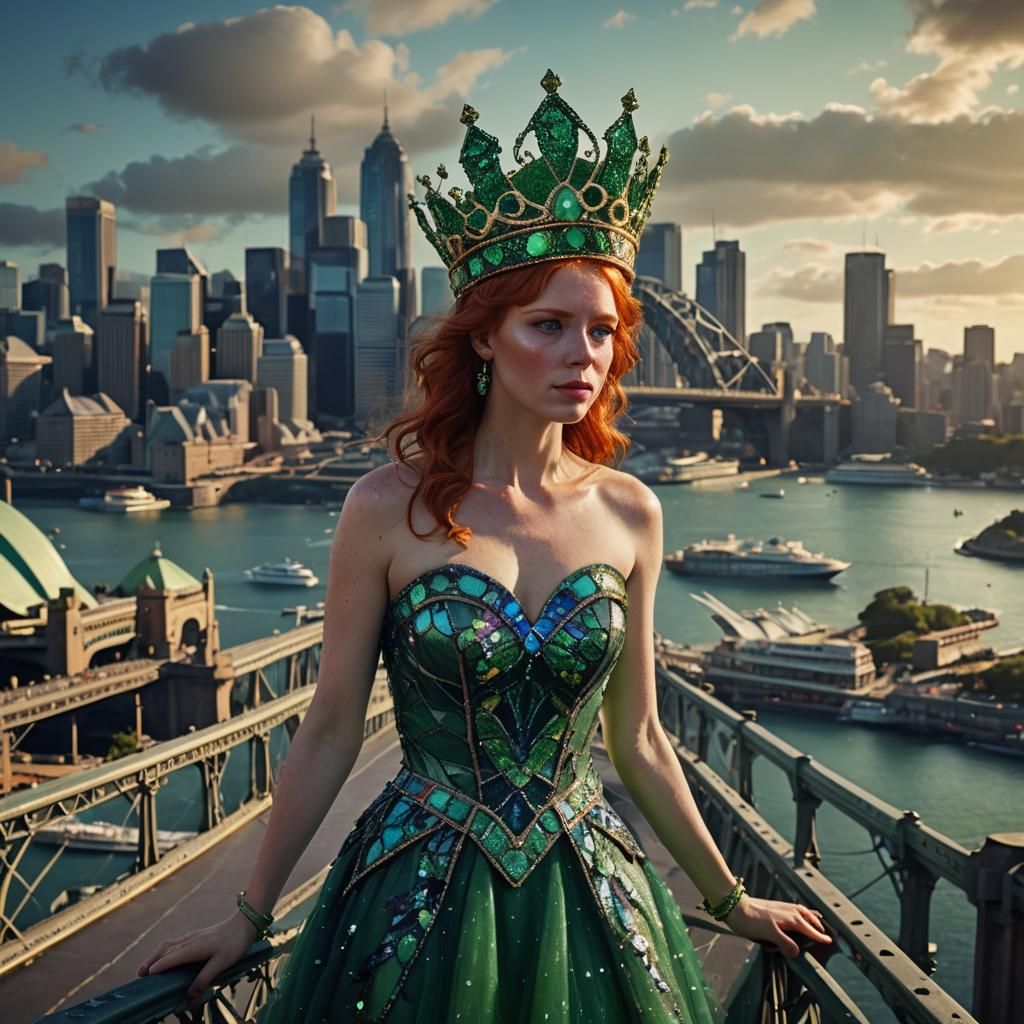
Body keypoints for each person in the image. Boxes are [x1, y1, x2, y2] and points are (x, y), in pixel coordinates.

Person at [137, 70, 831, 1021]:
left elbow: (636, 738)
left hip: (590, 893)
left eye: (600, 331)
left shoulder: (633, 512)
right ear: (485, 342)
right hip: (413, 901)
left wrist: (726, 899)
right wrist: (248, 915)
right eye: (548, 325)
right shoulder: (385, 507)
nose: (582, 355)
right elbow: (333, 728)